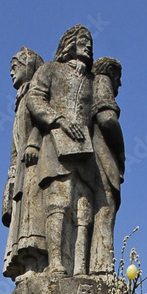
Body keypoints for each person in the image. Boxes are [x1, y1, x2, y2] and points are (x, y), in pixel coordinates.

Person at [26, 24, 101, 277]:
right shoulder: (50, 70)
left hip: (85, 155)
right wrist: (58, 120)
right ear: (69, 43)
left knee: (83, 210)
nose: (88, 45)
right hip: (56, 148)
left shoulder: (92, 81)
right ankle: (57, 262)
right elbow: (35, 99)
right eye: (83, 39)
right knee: (58, 203)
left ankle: (81, 267)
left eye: (90, 41)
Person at [2, 47, 47, 280]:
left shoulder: (36, 92)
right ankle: (24, 264)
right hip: (20, 168)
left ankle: (36, 262)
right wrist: (10, 174)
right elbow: (13, 147)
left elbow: (43, 122)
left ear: (29, 66)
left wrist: (35, 143)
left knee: (33, 217)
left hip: (34, 164)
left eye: (15, 66)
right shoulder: (20, 99)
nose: (11, 72)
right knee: (22, 216)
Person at [90, 57, 124, 275]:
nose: (119, 85)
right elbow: (107, 118)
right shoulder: (102, 82)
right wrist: (121, 152)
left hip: (89, 155)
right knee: (105, 205)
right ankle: (101, 264)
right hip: (101, 153)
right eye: (118, 79)